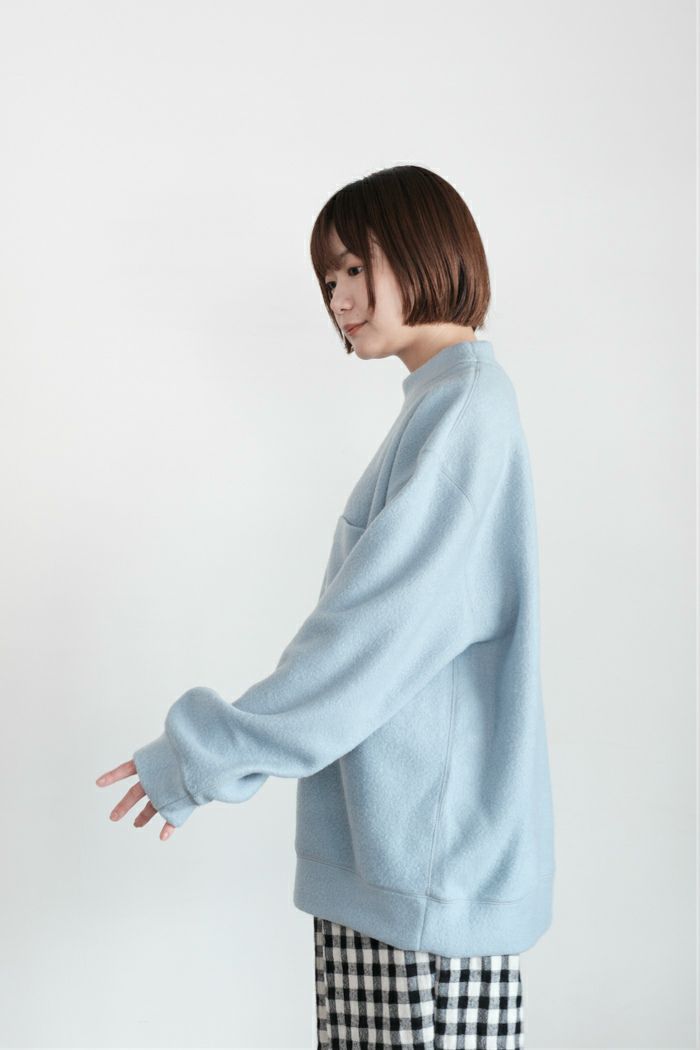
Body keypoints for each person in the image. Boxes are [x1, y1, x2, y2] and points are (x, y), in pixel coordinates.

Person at [96, 164, 555, 1049]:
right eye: (328, 278)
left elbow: (364, 648)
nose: (339, 298)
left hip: (422, 886)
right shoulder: (446, 404)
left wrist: (204, 753)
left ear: (424, 251)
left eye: (355, 267)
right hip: (401, 873)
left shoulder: (464, 413)